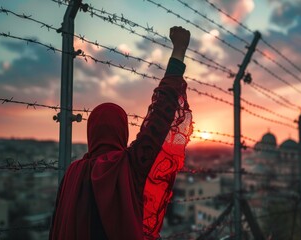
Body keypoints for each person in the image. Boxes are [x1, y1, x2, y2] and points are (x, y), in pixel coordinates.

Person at [49, 26, 193, 240]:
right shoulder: (129, 164)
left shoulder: (73, 173)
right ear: (122, 131)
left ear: (91, 133)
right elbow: (160, 117)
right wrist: (179, 51)